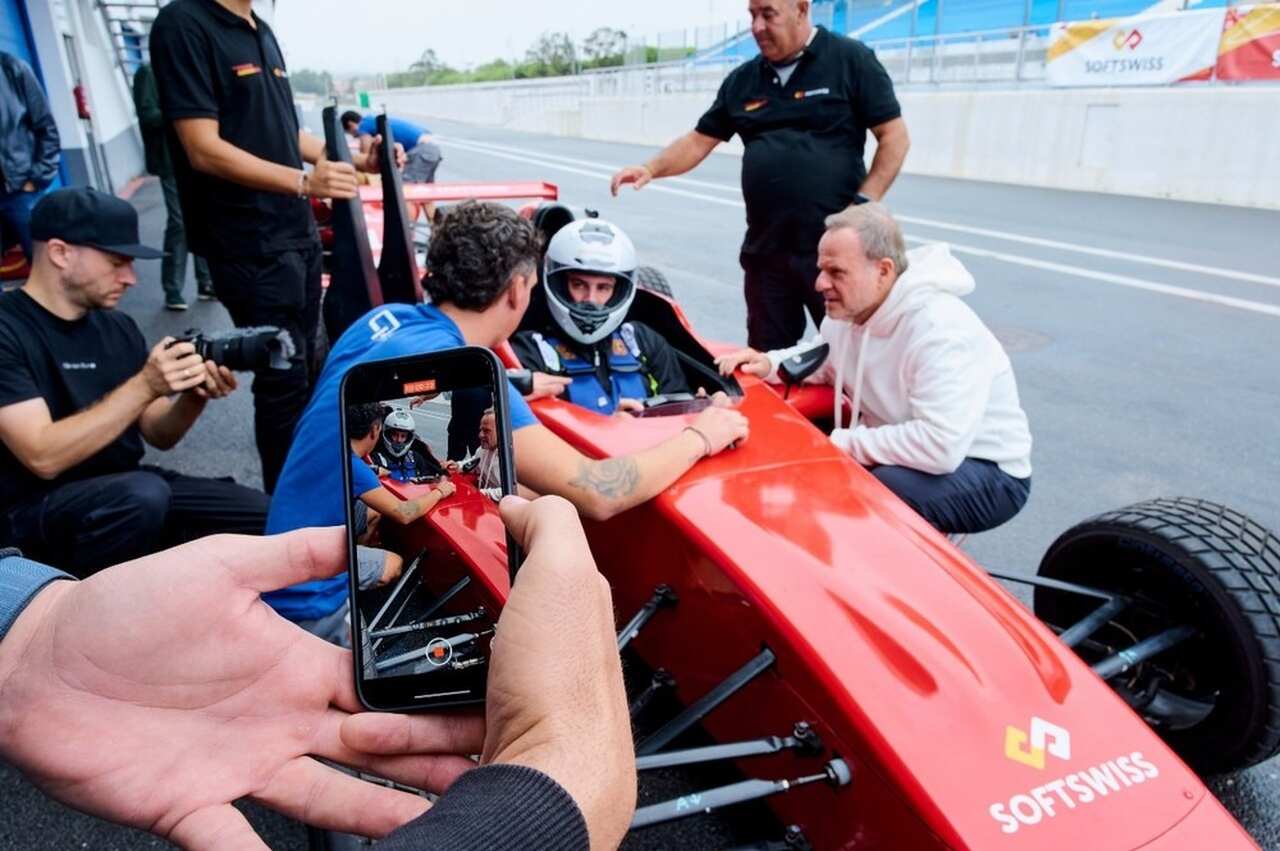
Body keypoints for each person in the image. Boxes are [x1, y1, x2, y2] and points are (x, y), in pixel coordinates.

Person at [0, 496, 635, 850]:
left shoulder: (365, 349)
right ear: (518, 293)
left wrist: (30, 631)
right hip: (321, 623)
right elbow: (600, 487)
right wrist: (558, 797)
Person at [263, 201, 747, 634]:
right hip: (318, 605)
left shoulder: (386, 320)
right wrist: (702, 435)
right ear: (517, 289)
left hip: (288, 564)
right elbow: (601, 491)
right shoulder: (465, 365)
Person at [149, 0, 399, 492]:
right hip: (248, 244)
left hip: (295, 235)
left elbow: (288, 132)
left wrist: (357, 160)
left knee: (313, 369)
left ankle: (317, 493)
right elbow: (203, 146)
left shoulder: (259, 30)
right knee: (282, 381)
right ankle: (287, 517)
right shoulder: (184, 23)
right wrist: (307, 183)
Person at [610, 0, 910, 352]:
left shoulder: (850, 59)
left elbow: (894, 137)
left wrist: (864, 203)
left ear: (801, 9)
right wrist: (650, 168)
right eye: (752, 15)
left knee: (851, 352)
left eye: (768, 14)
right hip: (768, 252)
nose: (757, 26)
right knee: (766, 359)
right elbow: (698, 140)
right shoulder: (743, 80)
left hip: (832, 253)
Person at [716, 203, 1032, 535]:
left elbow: (940, 446)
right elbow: (823, 357)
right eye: (821, 269)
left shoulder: (940, 330)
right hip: (915, 448)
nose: (820, 283)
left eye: (836, 272)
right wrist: (769, 364)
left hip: (987, 470)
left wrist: (836, 443)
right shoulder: (851, 311)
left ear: (883, 270)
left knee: (879, 489)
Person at [0, 188, 269, 576]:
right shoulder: (9, 328)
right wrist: (145, 384)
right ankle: (75, 609)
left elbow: (159, 434)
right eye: (116, 262)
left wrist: (192, 395)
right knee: (142, 497)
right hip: (35, 508)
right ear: (60, 253)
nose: (130, 278)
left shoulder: (118, 325)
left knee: (268, 516)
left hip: (128, 490)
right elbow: (42, 456)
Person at [511, 218, 696, 416]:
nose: (590, 300)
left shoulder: (644, 342)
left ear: (618, 291)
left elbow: (681, 410)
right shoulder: (529, 350)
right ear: (560, 285)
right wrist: (608, 422)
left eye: (603, 287)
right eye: (579, 285)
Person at [131, 62, 214, 311]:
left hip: (199, 159)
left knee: (203, 221)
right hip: (170, 161)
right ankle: (173, 289)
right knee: (179, 223)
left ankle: (206, 282)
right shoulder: (149, 72)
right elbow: (148, 116)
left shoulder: (189, 70)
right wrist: (183, 111)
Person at [0, 49, 60, 266]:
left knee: (44, 269)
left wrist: (36, 179)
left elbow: (46, 127)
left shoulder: (12, 68)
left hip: (20, 192)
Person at [343, 109, 442, 220]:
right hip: (432, 148)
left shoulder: (363, 125)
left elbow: (365, 153)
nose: (355, 136)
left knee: (404, 192)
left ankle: (407, 232)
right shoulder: (373, 121)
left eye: (352, 134)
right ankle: (437, 229)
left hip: (422, 150)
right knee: (424, 193)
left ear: (351, 125)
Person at [370, 407, 455, 483]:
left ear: (408, 438)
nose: (399, 440)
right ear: (387, 434)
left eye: (403, 436)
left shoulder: (415, 457)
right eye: (395, 435)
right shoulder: (376, 458)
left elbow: (435, 475)